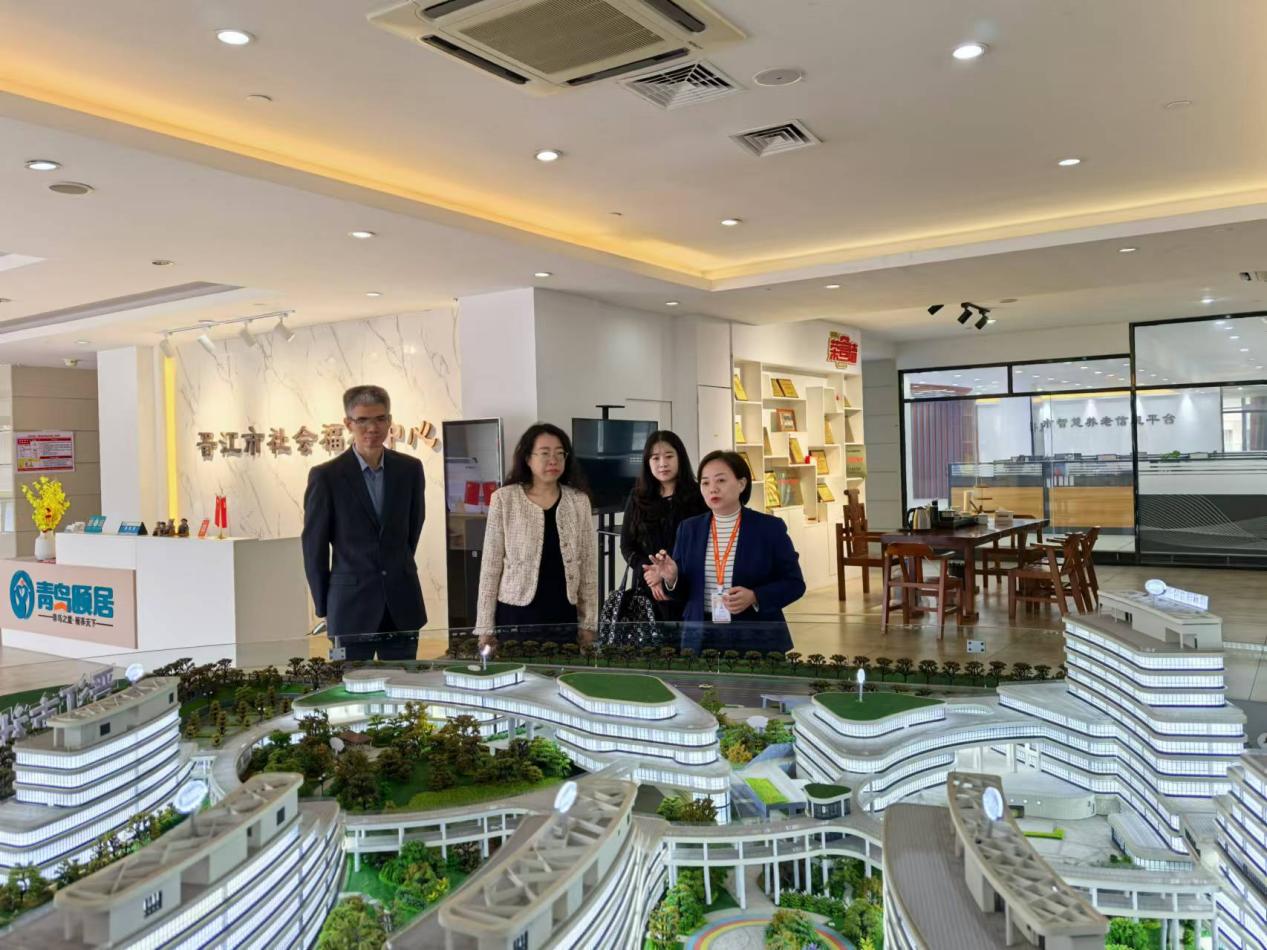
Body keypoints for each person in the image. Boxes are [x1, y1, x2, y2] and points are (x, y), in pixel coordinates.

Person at [302, 385, 426, 661]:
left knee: (405, 682)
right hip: (349, 607)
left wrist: (397, 566)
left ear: (390, 420)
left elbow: (412, 529)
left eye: (380, 419)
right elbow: (314, 547)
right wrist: (325, 605)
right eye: (362, 420)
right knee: (350, 683)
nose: (372, 428)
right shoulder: (327, 476)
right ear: (348, 423)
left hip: (402, 603)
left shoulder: (410, 469)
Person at [643, 450, 805, 655]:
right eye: (705, 483)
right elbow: (684, 593)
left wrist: (755, 596)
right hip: (700, 637)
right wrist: (672, 578)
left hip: (755, 636)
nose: (713, 488)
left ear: (741, 484)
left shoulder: (769, 528)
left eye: (721, 480)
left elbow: (794, 584)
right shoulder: (689, 529)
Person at [476, 422, 598, 652]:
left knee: (561, 670)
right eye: (544, 453)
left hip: (563, 612)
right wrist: (485, 628)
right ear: (528, 459)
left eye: (559, 454)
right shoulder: (504, 499)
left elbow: (588, 568)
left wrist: (588, 622)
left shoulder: (578, 501)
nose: (553, 460)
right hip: (516, 613)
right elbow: (490, 568)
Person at [620, 430, 707, 622]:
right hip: (648, 589)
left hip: (687, 588)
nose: (662, 463)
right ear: (647, 462)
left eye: (669, 456)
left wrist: (667, 575)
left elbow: (702, 546)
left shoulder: (698, 496)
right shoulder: (637, 497)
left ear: (680, 458)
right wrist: (651, 573)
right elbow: (627, 546)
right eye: (655, 458)